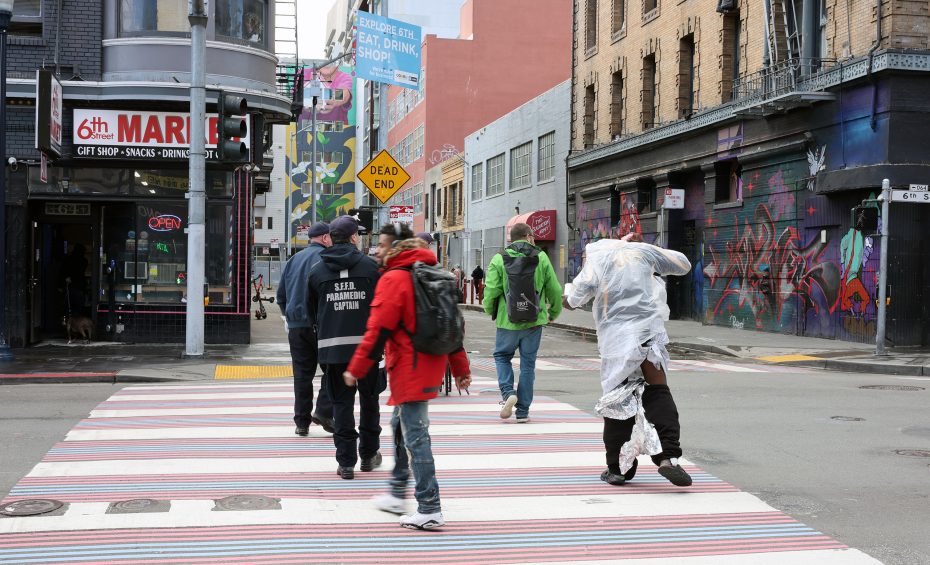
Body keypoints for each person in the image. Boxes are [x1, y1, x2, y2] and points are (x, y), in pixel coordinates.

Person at [344, 237, 471, 530]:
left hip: (409, 369)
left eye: (381, 250)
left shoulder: (395, 279)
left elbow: (377, 329)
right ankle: (398, 492)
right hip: (430, 365)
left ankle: (429, 507)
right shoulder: (435, 274)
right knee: (400, 426)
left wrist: (356, 368)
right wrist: (460, 368)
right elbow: (452, 325)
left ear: (394, 253)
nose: (377, 254)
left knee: (416, 437)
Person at [563, 232, 694, 487]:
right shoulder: (642, 252)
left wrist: (562, 299)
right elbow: (682, 264)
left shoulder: (598, 258)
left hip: (617, 340)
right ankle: (668, 457)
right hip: (648, 333)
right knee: (658, 390)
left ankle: (618, 469)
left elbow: (575, 297)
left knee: (617, 402)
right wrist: (646, 247)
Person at [307, 215, 382, 480]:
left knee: (341, 405)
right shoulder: (372, 268)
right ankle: (369, 454)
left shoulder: (317, 271)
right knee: (370, 401)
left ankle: (346, 461)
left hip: (333, 350)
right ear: (353, 238)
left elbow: (310, 312)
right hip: (368, 349)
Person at [483, 222, 562, 422]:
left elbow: (491, 290)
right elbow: (554, 289)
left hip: (507, 321)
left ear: (511, 239)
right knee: (528, 365)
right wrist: (553, 312)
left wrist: (489, 309)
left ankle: (508, 392)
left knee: (502, 356)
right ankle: (523, 412)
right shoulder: (541, 257)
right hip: (534, 321)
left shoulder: (499, 258)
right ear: (528, 236)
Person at [276, 222, 334, 437]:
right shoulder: (326, 260)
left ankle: (302, 423)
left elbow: (281, 296)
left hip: (296, 326)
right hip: (320, 326)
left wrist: (289, 317)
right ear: (326, 238)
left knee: (302, 375)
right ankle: (323, 410)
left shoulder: (293, 261)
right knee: (332, 370)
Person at [62, 243, 89, 316]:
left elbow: (64, 271)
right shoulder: (83, 261)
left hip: (71, 285)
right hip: (79, 286)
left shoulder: (68, 259)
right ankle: (76, 323)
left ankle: (70, 323)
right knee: (78, 308)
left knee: (68, 307)